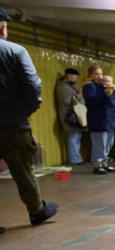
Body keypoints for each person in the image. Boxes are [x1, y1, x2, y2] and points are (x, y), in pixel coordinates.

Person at [0, 8, 58, 226]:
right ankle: (37, 211)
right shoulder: (15, 51)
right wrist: (28, 108)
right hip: (14, 124)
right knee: (23, 171)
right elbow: (33, 85)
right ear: (2, 26)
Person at [82, 64, 115, 174]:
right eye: (96, 74)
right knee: (99, 143)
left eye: (101, 74)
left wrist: (111, 87)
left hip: (107, 120)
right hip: (97, 119)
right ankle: (97, 164)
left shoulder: (103, 86)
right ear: (90, 75)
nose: (99, 76)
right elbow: (91, 101)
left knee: (108, 143)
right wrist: (104, 94)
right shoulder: (89, 86)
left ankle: (105, 163)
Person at [55, 67, 85, 165]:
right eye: (75, 77)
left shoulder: (73, 86)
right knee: (73, 138)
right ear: (69, 76)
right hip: (68, 116)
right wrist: (78, 96)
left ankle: (77, 157)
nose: (76, 80)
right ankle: (74, 159)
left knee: (77, 137)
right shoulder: (62, 86)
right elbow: (66, 101)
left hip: (76, 116)